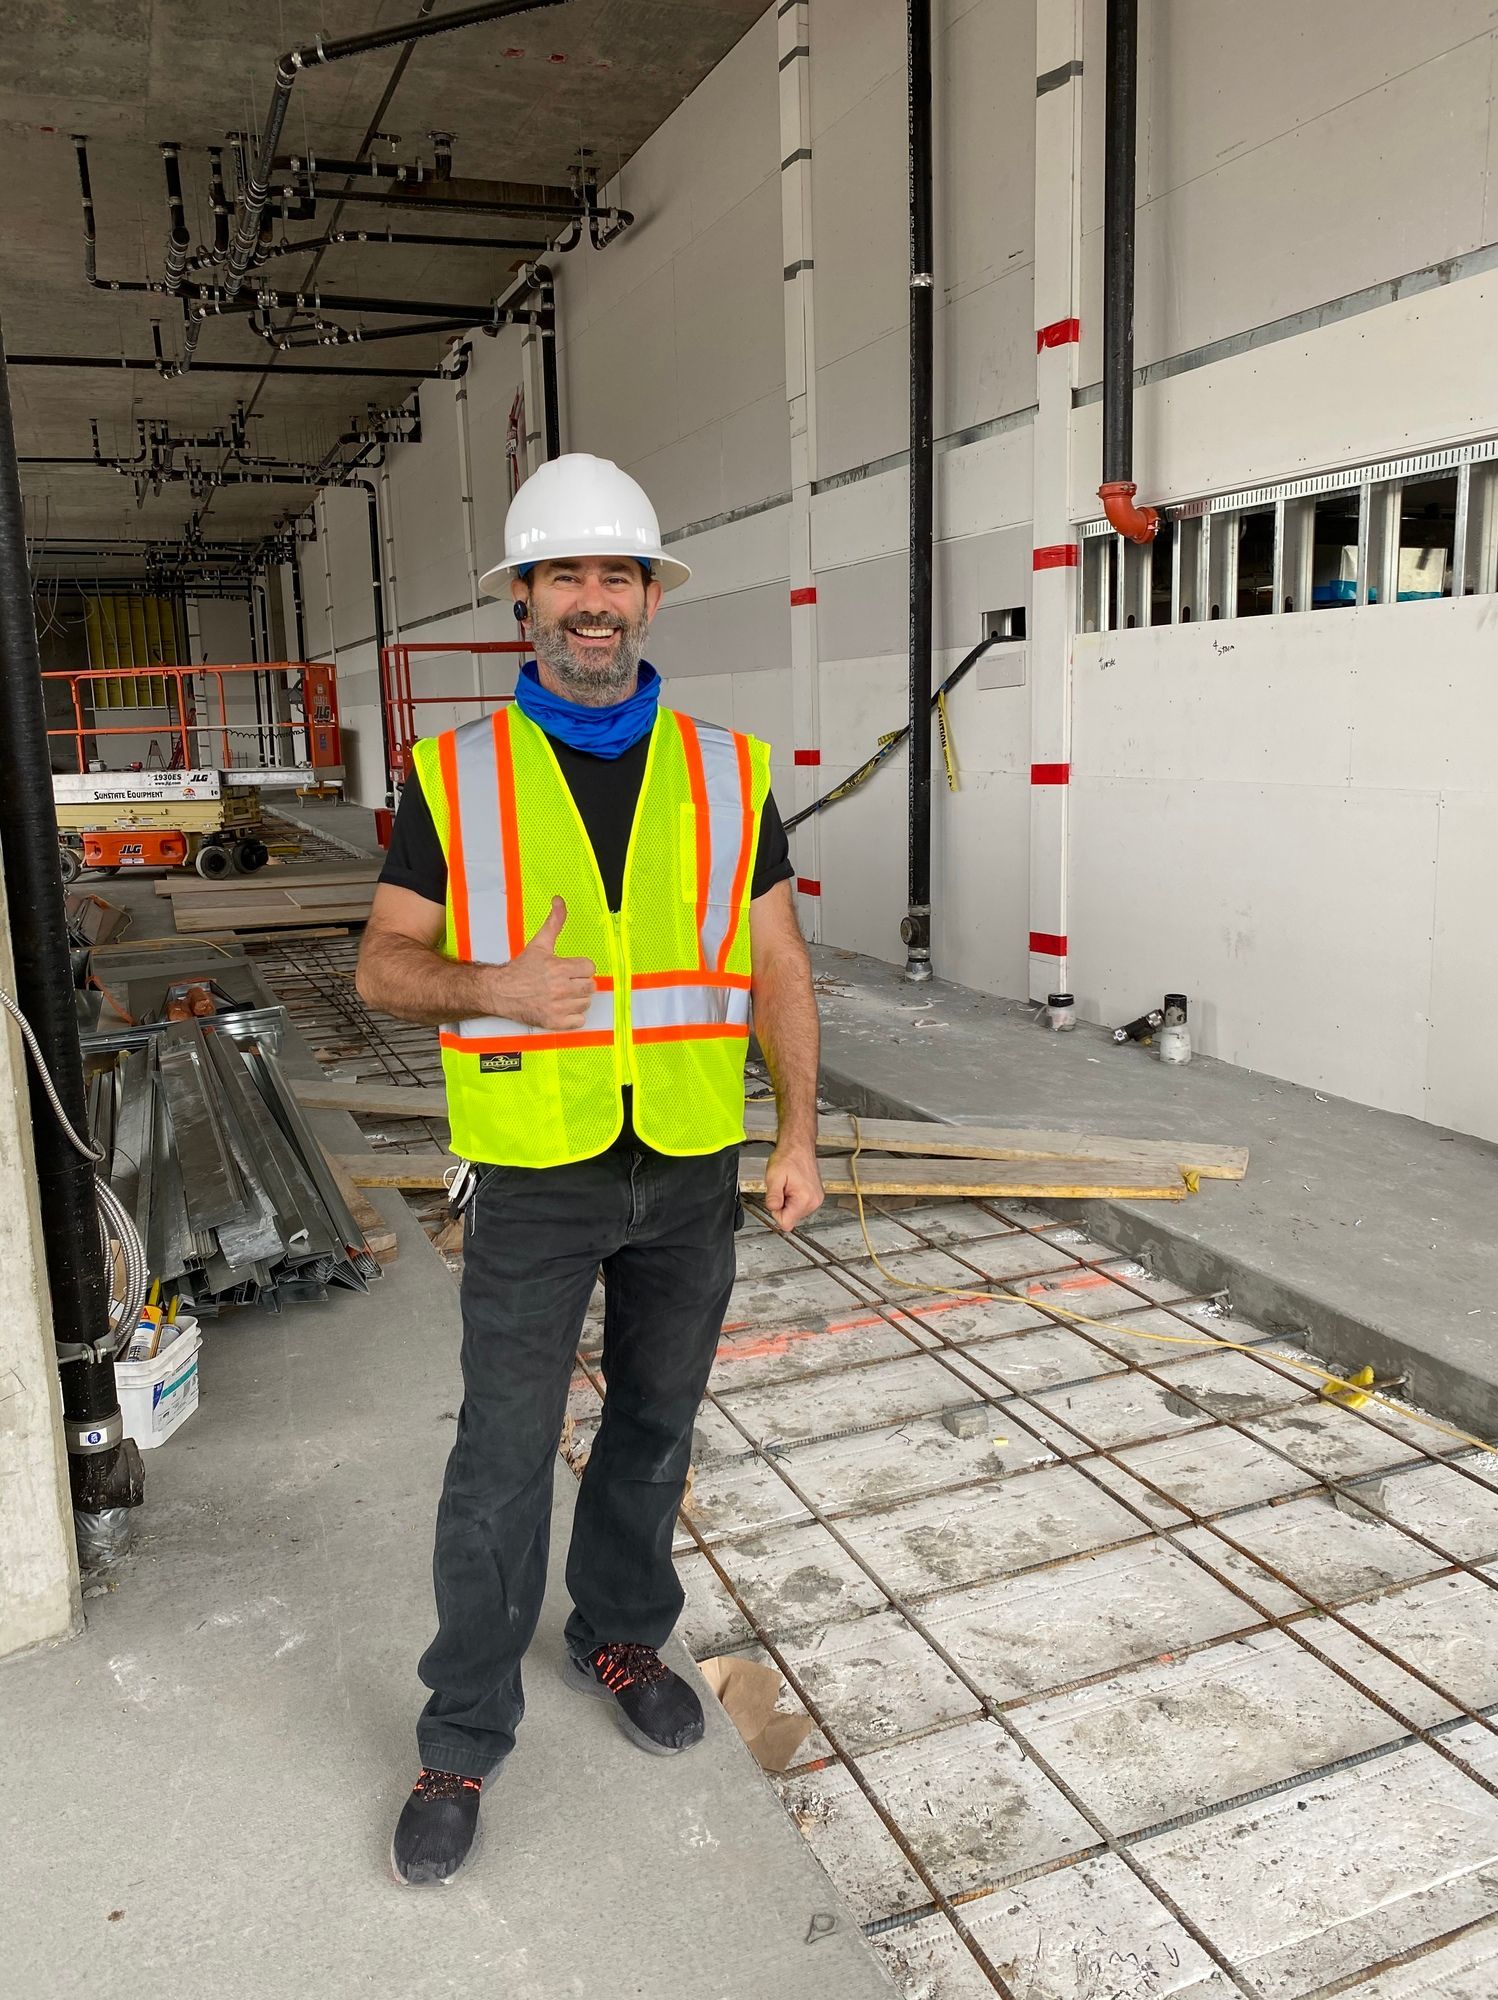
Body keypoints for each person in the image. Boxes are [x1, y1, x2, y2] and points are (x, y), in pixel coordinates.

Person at [356, 452, 824, 1886]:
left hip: (686, 1161)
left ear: (649, 596)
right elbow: (381, 968)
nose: (593, 600)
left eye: (616, 574)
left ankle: (617, 1633)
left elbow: (778, 964)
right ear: (527, 602)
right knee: (500, 1461)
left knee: (655, 1423)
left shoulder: (728, 771)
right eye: (565, 575)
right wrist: (490, 984)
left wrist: (797, 1131)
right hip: (537, 1167)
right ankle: (461, 1733)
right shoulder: (457, 776)